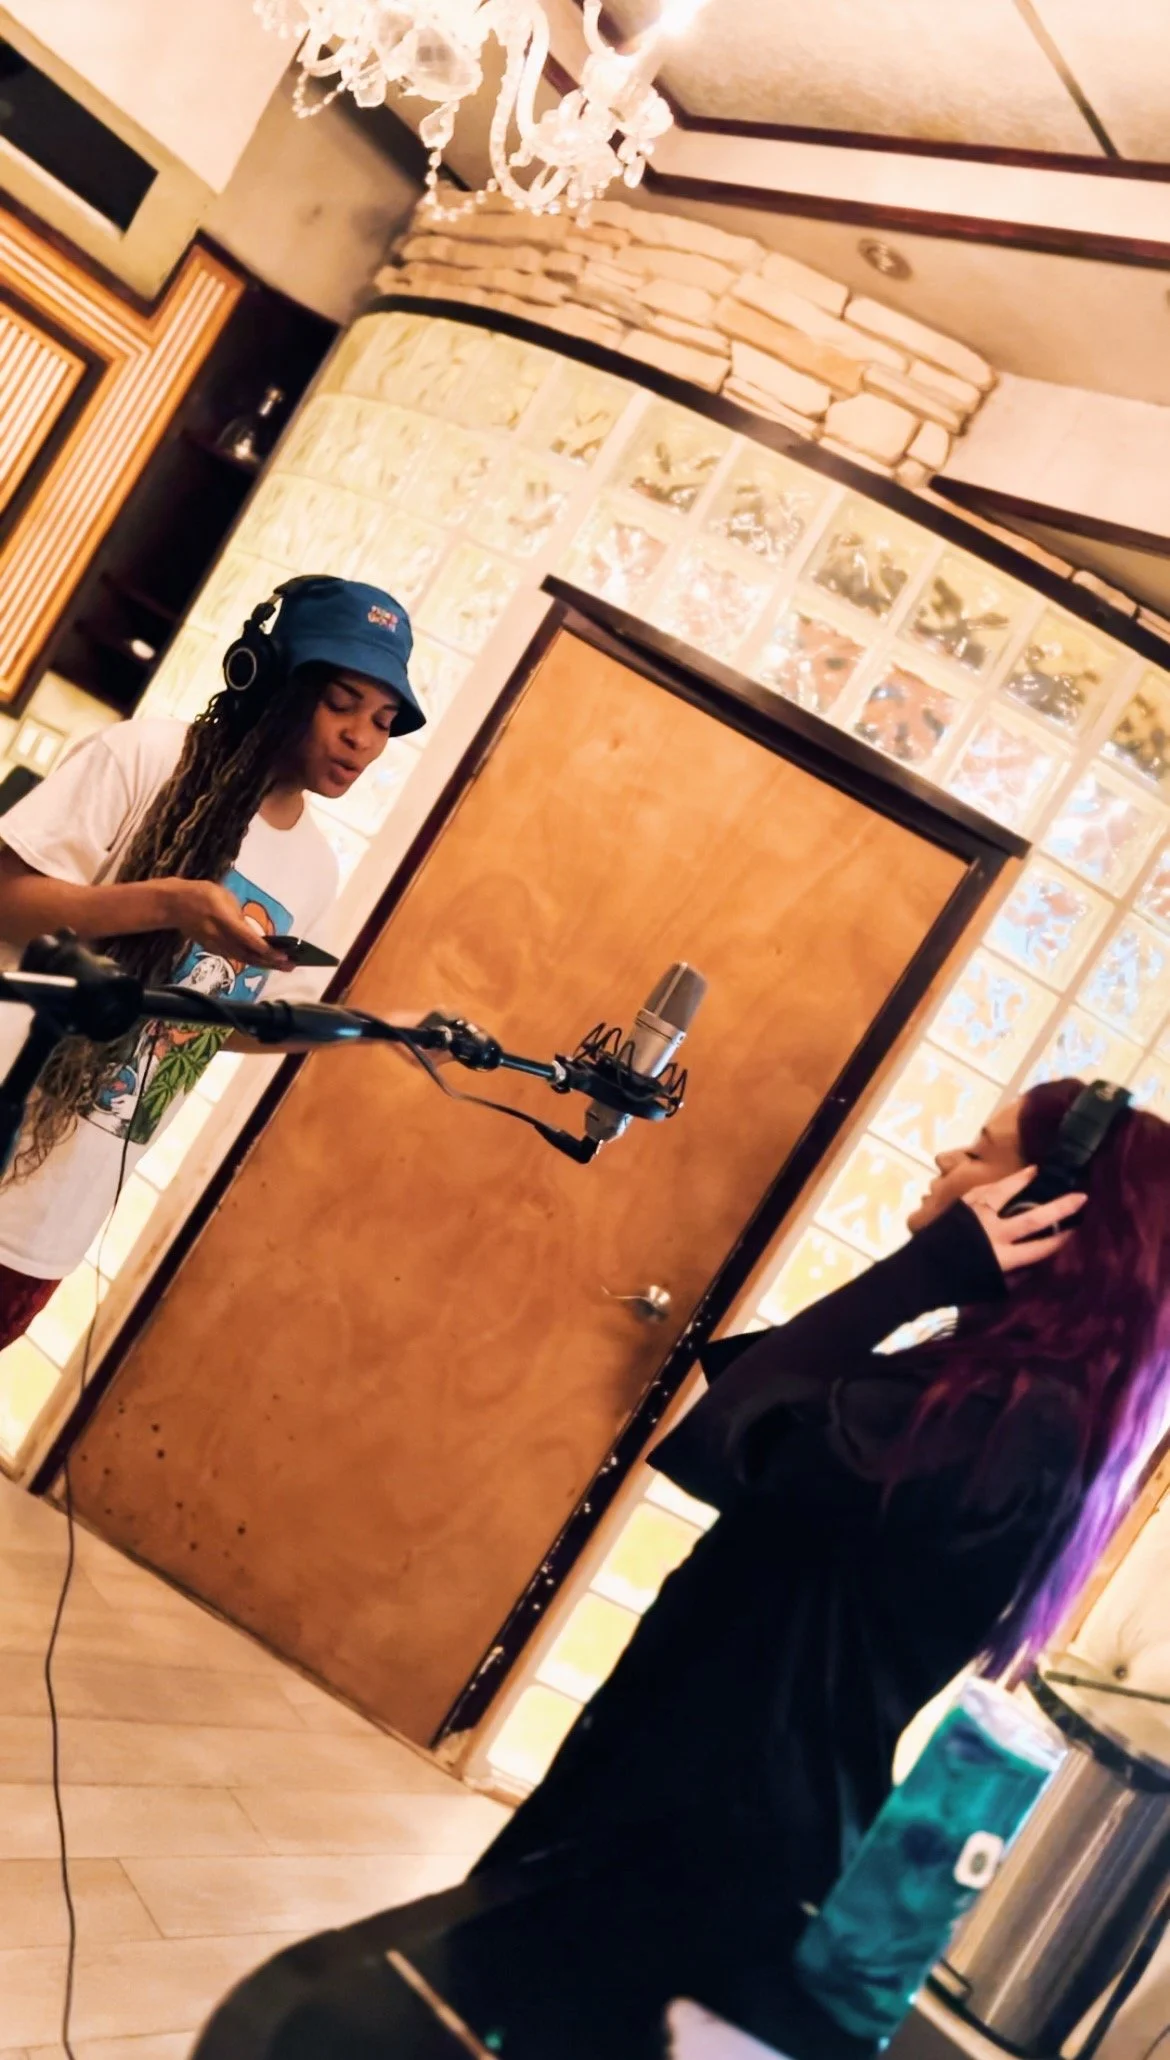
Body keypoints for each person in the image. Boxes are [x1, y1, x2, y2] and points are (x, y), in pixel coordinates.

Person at [0, 574, 427, 1349]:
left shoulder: (314, 871)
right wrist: (165, 905)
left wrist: (366, 1030)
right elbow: (6, 897)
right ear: (264, 676)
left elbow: (219, 1025)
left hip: (54, 1218)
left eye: (385, 719)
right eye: (342, 702)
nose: (364, 737)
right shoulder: (143, 754)